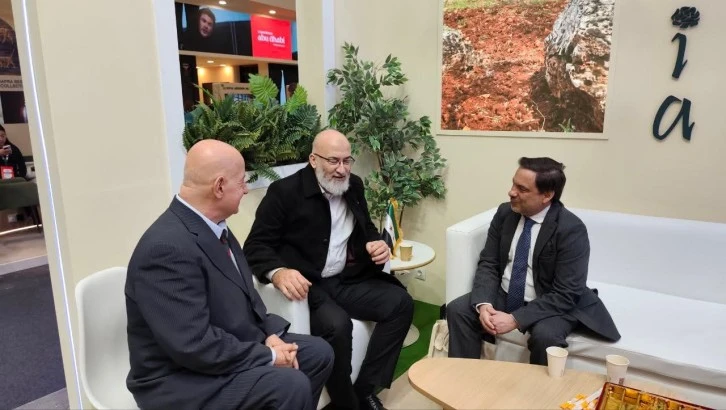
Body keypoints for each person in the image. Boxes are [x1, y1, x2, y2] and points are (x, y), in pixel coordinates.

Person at [125, 140, 333, 410]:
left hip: (221, 351)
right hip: (179, 379)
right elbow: (193, 345)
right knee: (290, 384)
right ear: (219, 187)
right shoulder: (165, 249)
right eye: (242, 182)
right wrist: (268, 355)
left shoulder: (214, 226)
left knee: (317, 353)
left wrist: (268, 334)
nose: (246, 189)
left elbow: (248, 297)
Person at [244, 130, 414, 410]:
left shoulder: (354, 185)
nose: (342, 169)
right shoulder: (284, 192)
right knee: (336, 325)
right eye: (333, 161)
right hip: (308, 286)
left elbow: (366, 227)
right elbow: (255, 246)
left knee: (401, 304)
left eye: (347, 161)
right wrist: (278, 271)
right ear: (313, 160)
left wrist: (376, 243)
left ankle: (364, 390)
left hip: (346, 279)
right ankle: (346, 405)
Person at [447, 157, 620, 365]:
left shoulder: (571, 229)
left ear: (547, 195)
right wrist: (484, 304)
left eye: (522, 189)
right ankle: (463, 377)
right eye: (513, 184)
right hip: (506, 293)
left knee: (546, 337)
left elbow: (566, 292)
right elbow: (489, 262)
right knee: (458, 310)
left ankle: (535, 387)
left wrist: (515, 319)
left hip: (548, 301)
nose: (511, 192)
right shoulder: (505, 213)